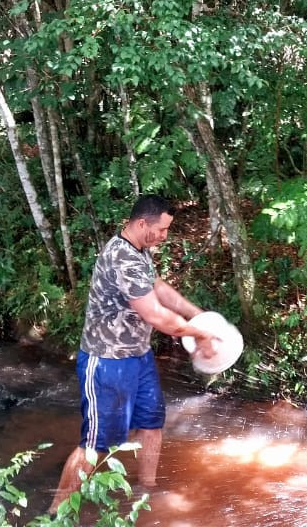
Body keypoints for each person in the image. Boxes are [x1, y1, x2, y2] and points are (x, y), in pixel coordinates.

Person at [49, 195, 220, 514]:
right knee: (97, 444)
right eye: (162, 229)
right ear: (142, 224)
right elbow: (154, 314)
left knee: (151, 424)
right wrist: (199, 334)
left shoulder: (140, 250)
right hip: (107, 361)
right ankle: (55, 513)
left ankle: (146, 493)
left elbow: (159, 288)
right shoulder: (121, 257)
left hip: (138, 356)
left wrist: (199, 317)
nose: (165, 235)